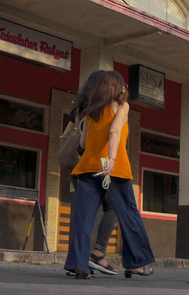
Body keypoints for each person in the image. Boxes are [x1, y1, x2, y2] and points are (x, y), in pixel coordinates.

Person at [64, 71, 155, 279]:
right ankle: (136, 263)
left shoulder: (90, 111)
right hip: (114, 168)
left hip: (88, 168)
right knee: (128, 214)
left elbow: (83, 144)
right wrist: (112, 159)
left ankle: (79, 265)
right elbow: (114, 131)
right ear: (115, 88)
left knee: (83, 219)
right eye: (122, 85)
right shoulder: (122, 106)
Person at [64, 70, 119, 276]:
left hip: (80, 167)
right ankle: (97, 253)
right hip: (104, 166)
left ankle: (79, 263)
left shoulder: (81, 109)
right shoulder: (111, 107)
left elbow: (69, 137)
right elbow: (111, 136)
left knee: (83, 217)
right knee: (113, 208)